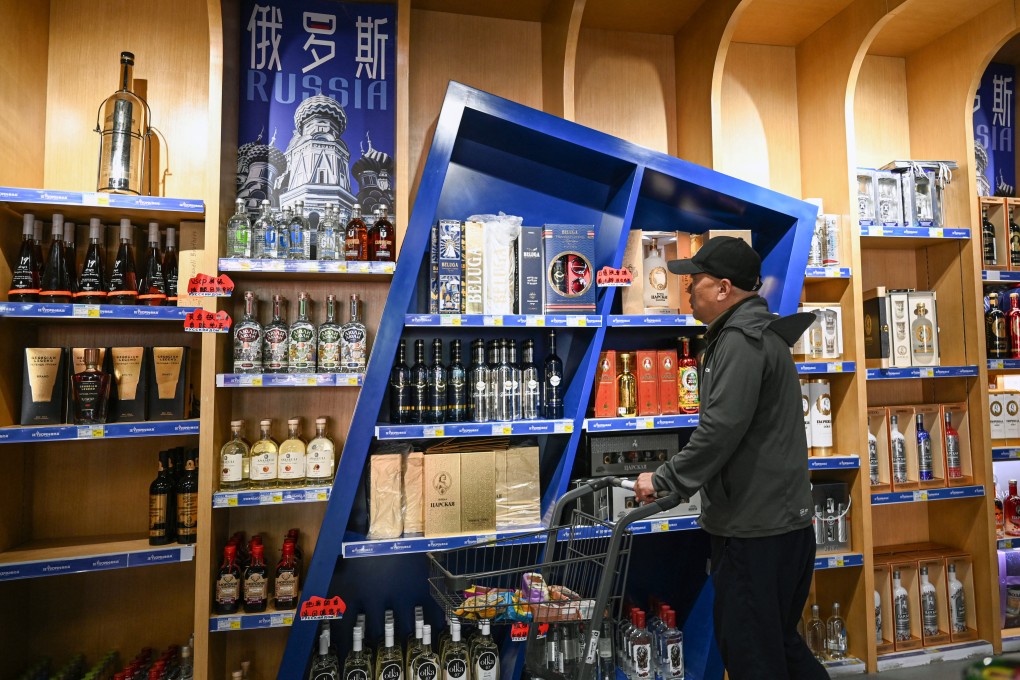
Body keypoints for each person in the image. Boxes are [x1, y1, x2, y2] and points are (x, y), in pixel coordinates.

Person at [633, 236, 827, 680]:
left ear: (723, 288)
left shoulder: (740, 341)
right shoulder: (758, 334)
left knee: (752, 656)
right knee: (777, 644)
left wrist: (663, 480)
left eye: (694, 280)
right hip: (781, 525)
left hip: (754, 531)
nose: (686, 289)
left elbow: (720, 430)